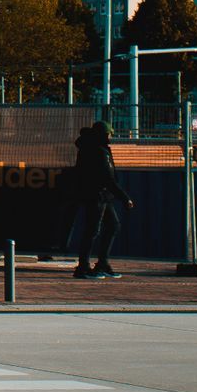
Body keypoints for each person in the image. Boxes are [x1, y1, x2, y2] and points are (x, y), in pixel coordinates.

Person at [63, 118, 128, 280]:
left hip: (102, 195)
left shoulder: (94, 148)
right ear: (101, 135)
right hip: (96, 195)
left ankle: (102, 263)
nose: (109, 137)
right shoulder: (97, 150)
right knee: (93, 229)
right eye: (107, 134)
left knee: (111, 225)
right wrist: (124, 197)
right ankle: (83, 267)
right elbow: (107, 177)